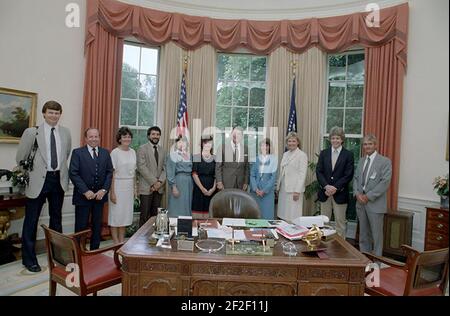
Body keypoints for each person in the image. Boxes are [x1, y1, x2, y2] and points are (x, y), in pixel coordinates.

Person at [16, 101, 72, 272]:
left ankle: (59, 257)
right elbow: (21, 158)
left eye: (57, 113)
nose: (54, 116)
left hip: (58, 180)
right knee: (31, 221)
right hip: (38, 181)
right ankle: (29, 260)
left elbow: (66, 154)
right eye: (50, 112)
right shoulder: (32, 132)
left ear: (60, 114)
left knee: (57, 221)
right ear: (44, 113)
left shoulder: (65, 132)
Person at [69, 128, 113, 250]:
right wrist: (85, 191)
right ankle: (79, 251)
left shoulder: (105, 153)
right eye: (91, 137)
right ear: (86, 138)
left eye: (96, 136)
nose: (94, 139)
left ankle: (95, 250)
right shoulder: (77, 153)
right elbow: (73, 173)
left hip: (99, 197)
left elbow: (109, 173)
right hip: (82, 197)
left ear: (99, 138)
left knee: (97, 225)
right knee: (81, 226)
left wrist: (104, 190)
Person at [353, 134, 392, 256]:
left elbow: (385, 182)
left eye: (370, 144)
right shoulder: (361, 160)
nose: (367, 146)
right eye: (365, 144)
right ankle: (365, 262)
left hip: (375, 204)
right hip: (360, 203)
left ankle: (377, 264)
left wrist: (368, 196)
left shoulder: (385, 161)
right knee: (363, 235)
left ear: (375, 145)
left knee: (377, 236)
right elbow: (355, 178)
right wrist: (357, 194)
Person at [316, 127, 354, 238]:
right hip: (325, 194)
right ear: (330, 139)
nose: (335, 140)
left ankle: (340, 252)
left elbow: (348, 174)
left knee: (340, 224)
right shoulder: (324, 153)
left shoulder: (348, 155)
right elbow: (319, 171)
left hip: (340, 194)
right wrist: (326, 186)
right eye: (333, 138)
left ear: (342, 139)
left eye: (338, 138)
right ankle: (323, 247)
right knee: (323, 223)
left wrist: (335, 188)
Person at [108, 127, 136, 244]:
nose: (127, 139)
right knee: (116, 216)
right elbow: (112, 174)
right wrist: (112, 192)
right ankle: (116, 243)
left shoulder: (133, 152)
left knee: (125, 216)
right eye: (124, 137)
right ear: (119, 139)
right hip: (117, 186)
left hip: (129, 187)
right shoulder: (115, 152)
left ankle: (121, 241)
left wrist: (135, 189)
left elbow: (134, 172)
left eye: (129, 137)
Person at [137, 126, 166, 227]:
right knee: (144, 215)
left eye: (158, 134)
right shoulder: (142, 149)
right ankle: (141, 241)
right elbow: (141, 167)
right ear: (148, 135)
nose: (155, 136)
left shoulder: (162, 150)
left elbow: (165, 168)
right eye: (153, 134)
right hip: (147, 187)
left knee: (155, 216)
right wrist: (154, 182)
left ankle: (154, 238)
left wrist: (159, 183)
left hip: (159, 189)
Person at [276, 132, 308, 222]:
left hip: (294, 191)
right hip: (283, 190)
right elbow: (282, 172)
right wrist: (278, 187)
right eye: (289, 141)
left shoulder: (302, 155)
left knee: (293, 217)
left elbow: (302, 174)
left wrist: (297, 191)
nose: (291, 143)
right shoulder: (285, 154)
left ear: (298, 142)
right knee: (283, 216)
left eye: (293, 141)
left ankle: (293, 235)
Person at [250, 138, 277, 220]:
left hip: (267, 194)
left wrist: (264, 191)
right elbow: (252, 175)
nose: (264, 147)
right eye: (262, 145)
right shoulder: (256, 159)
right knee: (256, 215)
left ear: (269, 147)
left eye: (266, 145)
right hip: (256, 192)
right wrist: (255, 189)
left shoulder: (274, 159)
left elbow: (273, 178)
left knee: (267, 216)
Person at [166, 135, 193, 217]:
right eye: (179, 141)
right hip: (179, 182)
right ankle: (174, 225)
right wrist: (173, 187)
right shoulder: (172, 155)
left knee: (187, 205)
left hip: (189, 182)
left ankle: (185, 224)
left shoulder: (190, 155)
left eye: (184, 141)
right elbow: (170, 173)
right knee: (177, 205)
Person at [215, 126, 249, 190]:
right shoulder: (222, 147)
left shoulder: (246, 149)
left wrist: (246, 182)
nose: (236, 135)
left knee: (239, 200)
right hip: (226, 183)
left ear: (242, 136)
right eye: (235, 133)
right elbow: (218, 167)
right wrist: (219, 181)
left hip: (240, 184)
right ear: (231, 134)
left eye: (239, 134)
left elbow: (246, 168)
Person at [192, 137, 216, 219]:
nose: (208, 145)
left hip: (211, 188)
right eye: (206, 143)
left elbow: (217, 175)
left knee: (209, 211)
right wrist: (202, 189)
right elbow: (194, 174)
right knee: (197, 211)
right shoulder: (196, 157)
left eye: (210, 143)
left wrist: (213, 189)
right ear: (202, 144)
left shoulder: (215, 158)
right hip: (199, 187)